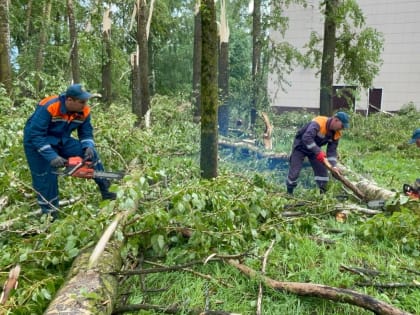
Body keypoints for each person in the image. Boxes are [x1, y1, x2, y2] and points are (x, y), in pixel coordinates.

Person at [23, 84, 116, 219]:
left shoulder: (84, 111)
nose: (85, 105)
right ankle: (50, 215)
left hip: (62, 139)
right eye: (82, 102)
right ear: (69, 100)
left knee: (92, 155)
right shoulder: (49, 106)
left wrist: (88, 146)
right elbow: (36, 135)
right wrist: (52, 156)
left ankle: (106, 191)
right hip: (35, 143)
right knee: (46, 177)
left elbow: (86, 132)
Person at [286, 111, 350, 195]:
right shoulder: (319, 122)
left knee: (323, 174)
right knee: (294, 173)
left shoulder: (337, 134)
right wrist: (318, 151)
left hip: (314, 150)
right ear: (336, 120)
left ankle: (323, 197)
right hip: (300, 147)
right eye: (342, 126)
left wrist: (333, 166)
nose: (342, 128)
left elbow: (332, 151)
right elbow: (306, 138)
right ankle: (289, 194)